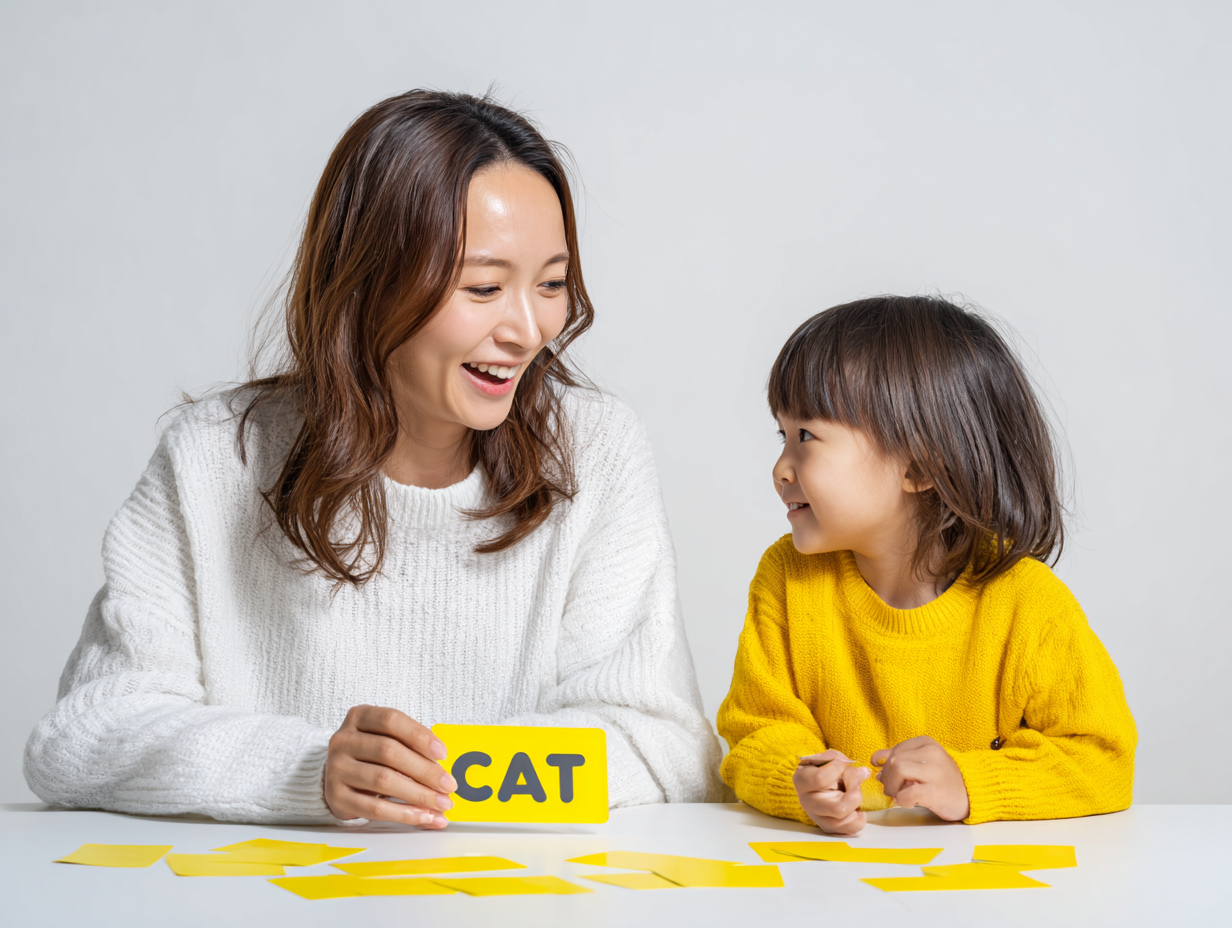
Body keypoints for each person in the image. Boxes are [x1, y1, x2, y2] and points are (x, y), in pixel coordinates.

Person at [24, 90, 724, 826]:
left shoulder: (595, 451)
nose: (528, 328)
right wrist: (308, 770)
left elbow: (663, 744)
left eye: (550, 284)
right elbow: (87, 733)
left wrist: (428, 779)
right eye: (483, 287)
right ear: (368, 283)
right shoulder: (211, 459)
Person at [716, 296, 1136, 834]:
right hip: (828, 888)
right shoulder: (786, 577)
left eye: (806, 438)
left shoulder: (1027, 602)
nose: (780, 468)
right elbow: (755, 731)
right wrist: (800, 783)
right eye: (783, 435)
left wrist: (970, 782)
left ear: (918, 466)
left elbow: (1103, 760)